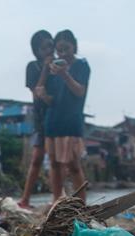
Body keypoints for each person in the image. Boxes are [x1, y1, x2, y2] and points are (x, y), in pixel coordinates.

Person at [44, 29, 90, 202]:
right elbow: (50, 98)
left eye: (66, 49)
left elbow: (79, 91)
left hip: (71, 121)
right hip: (53, 121)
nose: (62, 53)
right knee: (55, 165)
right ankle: (57, 201)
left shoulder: (81, 65)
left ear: (74, 47)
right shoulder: (51, 70)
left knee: (73, 165)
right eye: (59, 50)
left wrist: (64, 74)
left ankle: (81, 205)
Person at [18, 30, 55, 209]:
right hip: (41, 118)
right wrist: (46, 69)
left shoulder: (60, 65)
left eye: (50, 45)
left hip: (59, 117)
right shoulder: (32, 67)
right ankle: (25, 199)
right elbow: (36, 93)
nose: (48, 50)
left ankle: (59, 199)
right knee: (37, 159)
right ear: (36, 50)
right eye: (44, 48)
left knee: (60, 161)